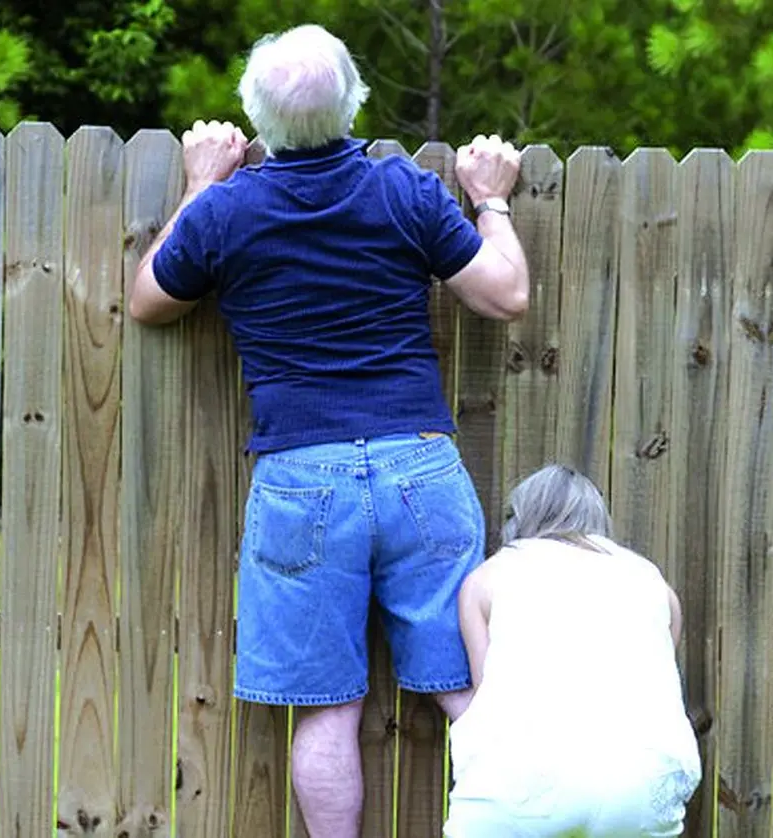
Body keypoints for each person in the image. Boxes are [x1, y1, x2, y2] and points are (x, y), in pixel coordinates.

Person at [126, 23, 529, 838]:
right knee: (468, 692)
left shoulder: (227, 213)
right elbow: (505, 294)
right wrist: (490, 199)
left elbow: (146, 301)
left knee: (325, 710)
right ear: (356, 103)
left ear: (252, 113)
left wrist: (202, 182)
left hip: (300, 476)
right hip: (419, 466)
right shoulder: (405, 192)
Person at [446, 464, 702, 837]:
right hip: (646, 785)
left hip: (524, 788)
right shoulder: (653, 582)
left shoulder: (487, 578)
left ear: (520, 517)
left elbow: (490, 694)